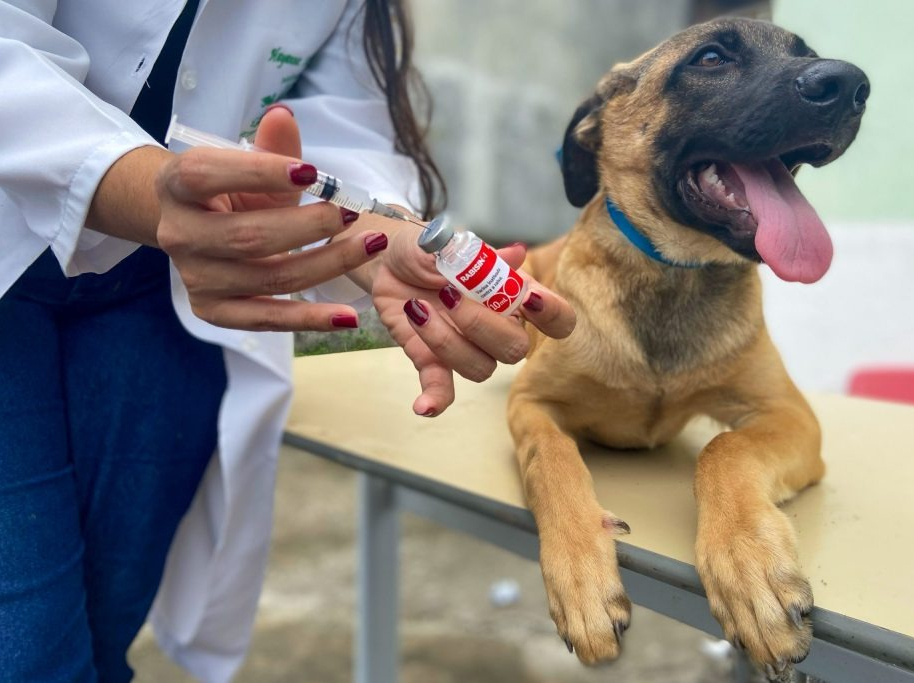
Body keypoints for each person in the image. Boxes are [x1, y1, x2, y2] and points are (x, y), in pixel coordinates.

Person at [0, 1, 576, 681]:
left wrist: (376, 227)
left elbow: (343, 117)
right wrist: (149, 193)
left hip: (159, 289)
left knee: (102, 624)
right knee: (32, 652)